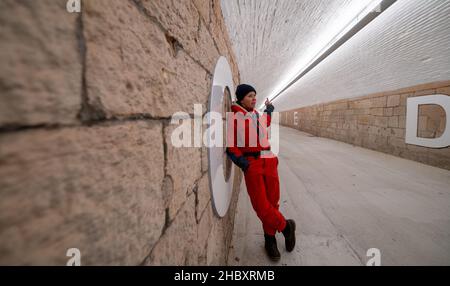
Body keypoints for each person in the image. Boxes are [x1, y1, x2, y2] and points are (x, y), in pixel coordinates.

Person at [226, 84, 296, 261]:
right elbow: (231, 146)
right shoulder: (234, 117)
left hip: (269, 161)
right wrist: (244, 164)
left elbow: (265, 123)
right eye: (250, 96)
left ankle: (269, 240)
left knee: (273, 202)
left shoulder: (256, 114)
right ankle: (286, 227)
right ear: (241, 98)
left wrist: (269, 109)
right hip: (253, 164)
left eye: (254, 96)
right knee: (261, 205)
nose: (253, 99)